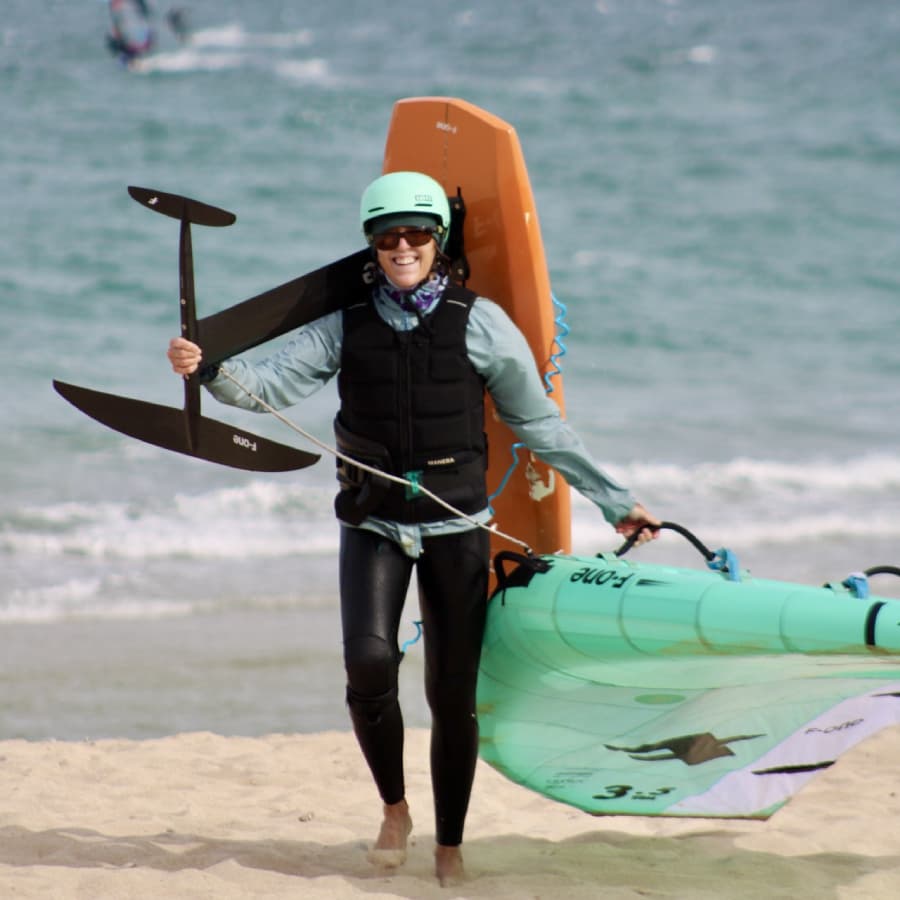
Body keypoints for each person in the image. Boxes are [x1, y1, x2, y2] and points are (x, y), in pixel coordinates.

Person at [167, 171, 660, 885]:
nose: (402, 246)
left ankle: (451, 844)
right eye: (386, 234)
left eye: (416, 233)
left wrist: (615, 501)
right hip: (373, 520)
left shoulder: (480, 321)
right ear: (371, 243)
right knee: (368, 665)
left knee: (451, 694)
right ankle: (395, 807)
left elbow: (538, 423)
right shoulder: (349, 321)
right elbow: (271, 383)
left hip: (458, 528)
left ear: (439, 241)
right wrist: (207, 370)